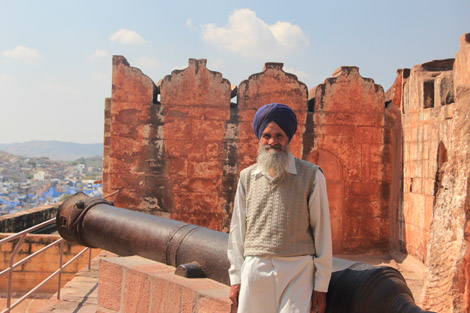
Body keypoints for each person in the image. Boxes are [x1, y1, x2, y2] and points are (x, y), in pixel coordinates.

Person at [227, 103, 332, 313]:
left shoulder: (311, 175)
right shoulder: (247, 177)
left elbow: (322, 232)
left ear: (288, 139)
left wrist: (321, 286)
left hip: (298, 272)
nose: (272, 142)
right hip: (256, 270)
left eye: (279, 135)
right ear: (259, 138)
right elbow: (238, 231)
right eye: (266, 136)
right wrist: (236, 277)